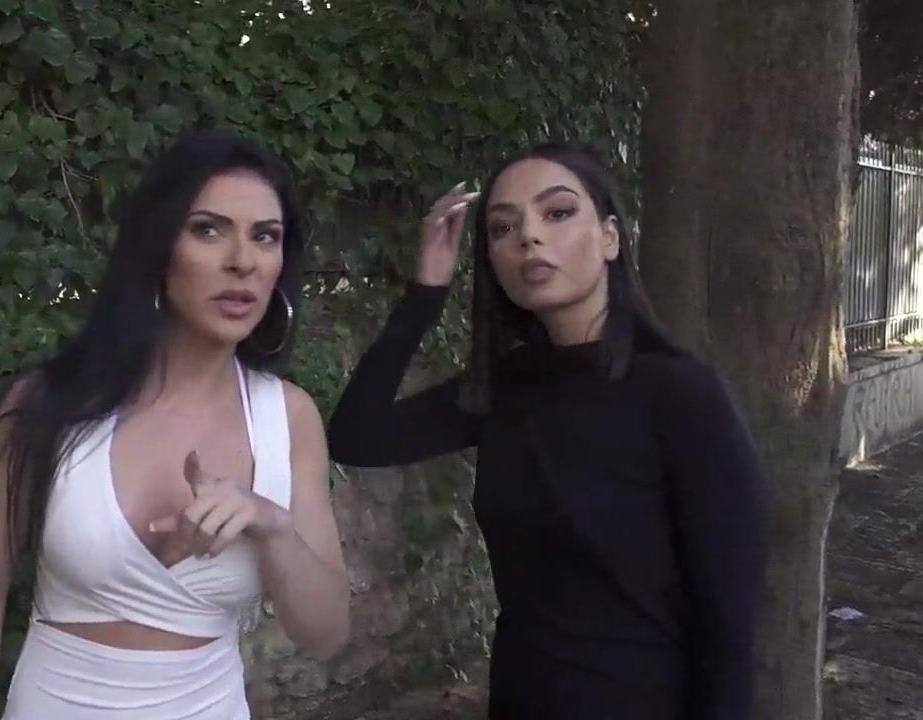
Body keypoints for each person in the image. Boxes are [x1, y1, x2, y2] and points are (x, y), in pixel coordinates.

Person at [326, 143, 768, 719]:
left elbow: (729, 623)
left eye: (557, 212)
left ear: (610, 237)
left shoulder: (682, 395)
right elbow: (357, 436)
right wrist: (425, 295)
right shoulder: (508, 385)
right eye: (502, 227)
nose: (529, 237)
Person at [0, 129, 351, 720]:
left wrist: (271, 526)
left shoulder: (289, 417)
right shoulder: (51, 404)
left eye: (266, 236)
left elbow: (326, 635)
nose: (243, 261)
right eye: (208, 230)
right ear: (157, 247)